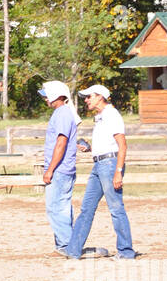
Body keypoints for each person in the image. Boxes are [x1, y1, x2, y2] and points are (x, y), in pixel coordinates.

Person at [66, 84, 140, 260]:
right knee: (87, 208)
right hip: (99, 164)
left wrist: (118, 171)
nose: (86, 100)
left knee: (115, 208)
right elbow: (106, 144)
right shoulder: (100, 117)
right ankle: (73, 250)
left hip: (109, 165)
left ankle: (126, 251)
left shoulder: (112, 115)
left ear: (100, 97)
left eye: (89, 97)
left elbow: (122, 145)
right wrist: (88, 148)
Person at [40, 81, 80, 257]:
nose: (45, 98)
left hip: (59, 170)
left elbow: (61, 143)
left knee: (55, 208)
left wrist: (50, 169)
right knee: (62, 207)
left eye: (47, 95)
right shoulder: (63, 113)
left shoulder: (62, 114)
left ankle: (67, 245)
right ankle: (65, 244)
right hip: (63, 169)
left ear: (56, 96)